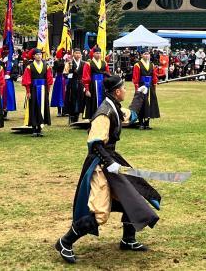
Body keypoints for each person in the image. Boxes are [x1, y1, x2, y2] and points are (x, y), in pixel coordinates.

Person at [54, 75, 156, 264]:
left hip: (110, 159)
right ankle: (65, 242)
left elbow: (131, 115)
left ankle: (128, 239)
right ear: (117, 92)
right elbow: (95, 144)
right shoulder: (104, 113)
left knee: (130, 196)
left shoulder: (114, 107)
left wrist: (140, 95)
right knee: (100, 212)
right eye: (124, 88)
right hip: (99, 165)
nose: (125, 90)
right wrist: (110, 163)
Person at [21, 48, 54, 137]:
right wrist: (28, 91)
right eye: (37, 55)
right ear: (33, 56)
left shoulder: (45, 66)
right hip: (33, 89)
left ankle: (40, 127)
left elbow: (49, 78)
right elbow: (26, 80)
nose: (39, 56)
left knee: (42, 107)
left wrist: (48, 89)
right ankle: (34, 128)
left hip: (43, 89)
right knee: (34, 107)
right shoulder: (29, 67)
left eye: (40, 54)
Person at [131, 50, 160, 130]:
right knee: (141, 104)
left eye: (148, 54)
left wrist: (154, 86)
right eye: (145, 54)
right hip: (142, 86)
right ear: (141, 55)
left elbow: (154, 76)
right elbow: (135, 78)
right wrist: (137, 89)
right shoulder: (138, 65)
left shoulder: (151, 65)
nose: (147, 56)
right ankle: (141, 123)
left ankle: (147, 123)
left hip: (150, 86)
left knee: (149, 103)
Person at [82, 46, 110, 120]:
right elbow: (86, 76)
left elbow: (108, 75)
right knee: (92, 101)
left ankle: (103, 117)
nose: (98, 55)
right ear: (93, 54)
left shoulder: (104, 63)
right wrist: (87, 89)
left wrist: (108, 86)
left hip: (103, 85)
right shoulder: (88, 63)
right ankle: (92, 118)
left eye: (100, 53)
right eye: (97, 53)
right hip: (93, 85)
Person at [64, 49, 86, 124]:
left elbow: (85, 75)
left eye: (79, 53)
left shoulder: (84, 63)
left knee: (80, 99)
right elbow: (65, 74)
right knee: (72, 99)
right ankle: (72, 116)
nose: (77, 55)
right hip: (72, 83)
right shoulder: (69, 63)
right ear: (73, 54)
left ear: (81, 55)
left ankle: (77, 115)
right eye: (76, 53)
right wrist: (71, 73)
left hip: (80, 84)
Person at [50, 49, 67, 117]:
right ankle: (59, 111)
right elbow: (57, 68)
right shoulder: (57, 62)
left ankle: (64, 111)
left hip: (65, 78)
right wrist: (63, 62)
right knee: (59, 95)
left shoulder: (66, 61)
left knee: (65, 95)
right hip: (59, 78)